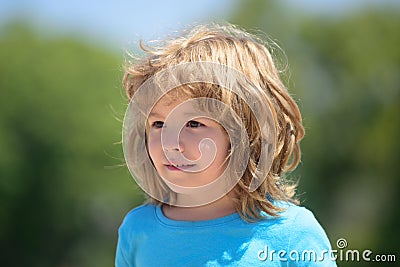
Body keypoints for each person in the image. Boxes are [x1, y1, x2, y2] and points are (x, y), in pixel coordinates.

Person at [116, 23, 337, 266]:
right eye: (158, 123)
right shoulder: (138, 230)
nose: (170, 143)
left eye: (193, 123)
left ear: (246, 134)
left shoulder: (293, 234)